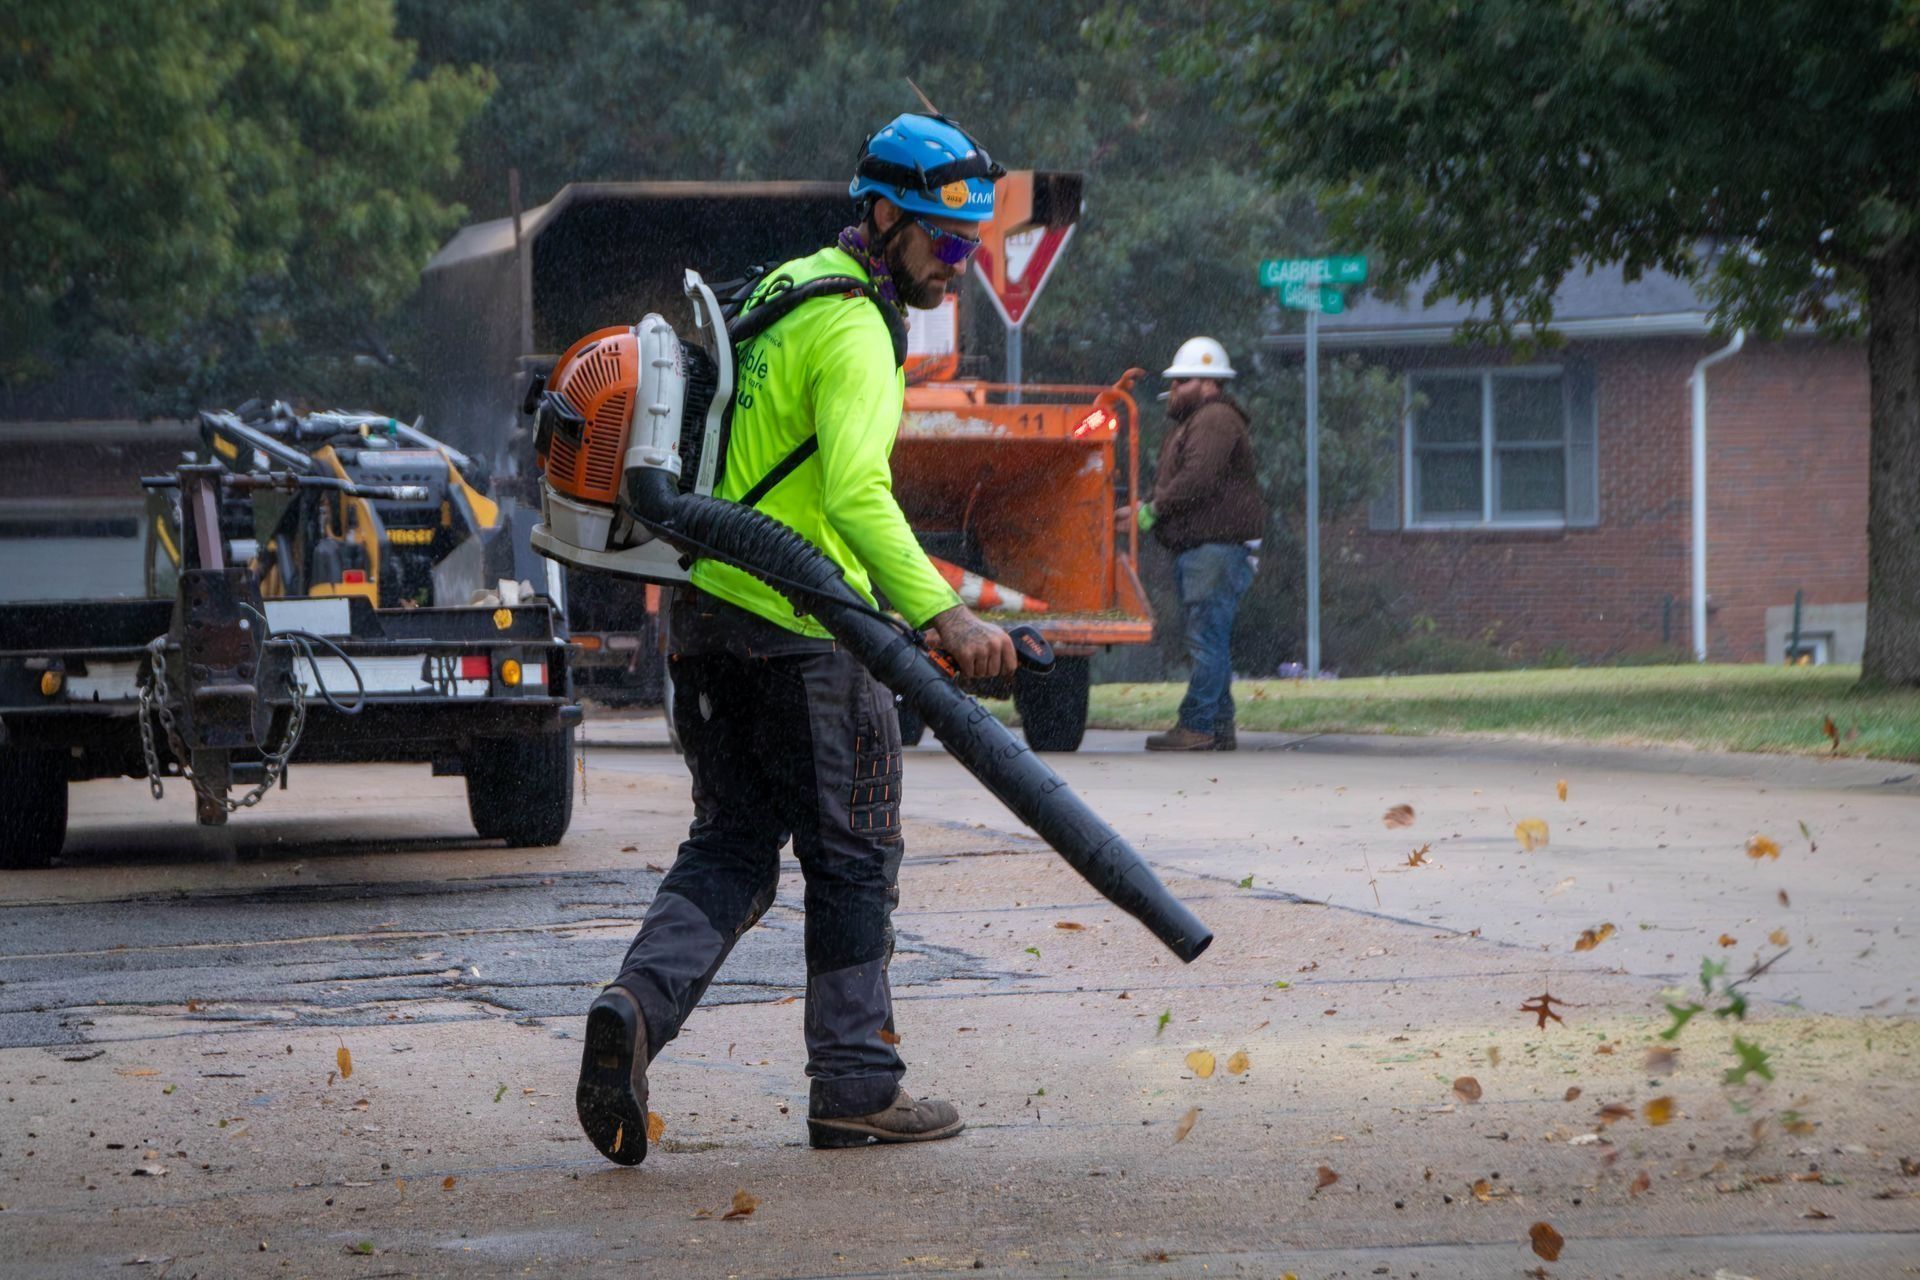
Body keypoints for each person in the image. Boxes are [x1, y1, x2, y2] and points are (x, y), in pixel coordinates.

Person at [574, 112, 1018, 1167]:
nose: (956, 270)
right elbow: (859, 494)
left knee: (733, 845)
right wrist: (942, 614)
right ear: (882, 216)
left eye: (971, 248)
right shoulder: (859, 329)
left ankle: (632, 1009)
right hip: (809, 633)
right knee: (854, 853)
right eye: (943, 245)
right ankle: (858, 1083)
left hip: (707, 622)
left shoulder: (782, 291)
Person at [1135, 337, 1267, 752]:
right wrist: (1144, 508)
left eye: (1183, 381)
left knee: (1204, 640)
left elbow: (1197, 480)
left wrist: (1154, 510)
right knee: (1211, 639)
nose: (1173, 391)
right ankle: (1218, 727)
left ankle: (1196, 726)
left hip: (1214, 552)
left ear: (1210, 384)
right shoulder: (1199, 421)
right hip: (1207, 551)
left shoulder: (1214, 419)